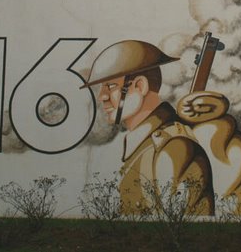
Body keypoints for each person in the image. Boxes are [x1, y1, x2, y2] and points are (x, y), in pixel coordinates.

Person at [81, 39, 214, 215]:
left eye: (111, 86)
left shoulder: (172, 148)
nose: (102, 97)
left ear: (140, 86)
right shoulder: (146, 146)